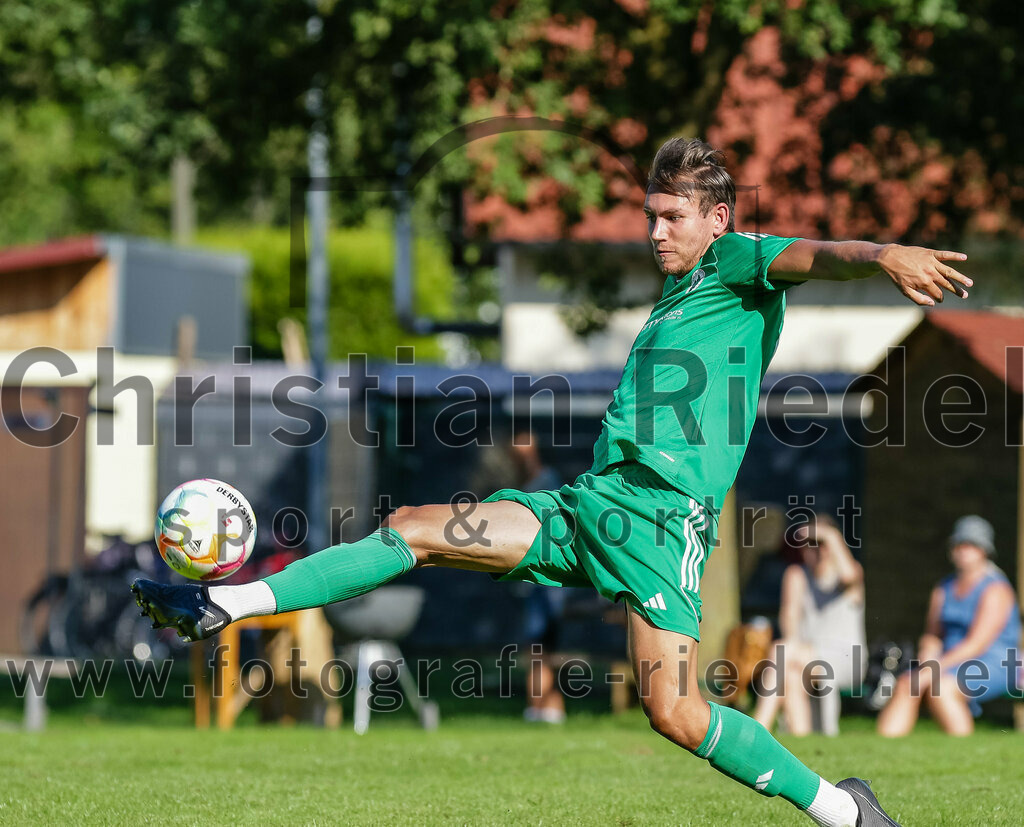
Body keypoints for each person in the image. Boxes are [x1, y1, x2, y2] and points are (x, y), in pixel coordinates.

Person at [135, 136, 973, 826]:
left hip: (661, 521)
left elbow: (818, 256)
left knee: (675, 713)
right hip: (592, 507)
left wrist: (882, 254)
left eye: (672, 217)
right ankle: (224, 604)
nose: (655, 232)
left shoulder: (738, 264)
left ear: (717, 219)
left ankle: (845, 812)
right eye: (650, 216)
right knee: (419, 527)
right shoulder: (677, 296)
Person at [877, 515, 1021, 737]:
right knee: (908, 683)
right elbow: (933, 635)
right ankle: (881, 753)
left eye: (970, 545)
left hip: (995, 661)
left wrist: (934, 669)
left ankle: (965, 753)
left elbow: (977, 644)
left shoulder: (996, 589)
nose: (963, 550)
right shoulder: (943, 588)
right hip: (948, 661)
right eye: (959, 544)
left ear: (984, 550)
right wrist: (927, 657)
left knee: (941, 688)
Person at [753, 517, 867, 736]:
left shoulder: (850, 574)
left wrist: (829, 535)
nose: (816, 550)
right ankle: (803, 742)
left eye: (821, 543)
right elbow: (789, 621)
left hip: (847, 659)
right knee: (791, 672)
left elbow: (849, 575)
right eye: (810, 544)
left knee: (782, 651)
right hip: (803, 656)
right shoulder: (797, 576)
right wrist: (794, 649)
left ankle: (758, 729)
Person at [508, 430, 571, 724]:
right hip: (534, 583)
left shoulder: (547, 482)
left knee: (541, 645)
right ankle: (539, 707)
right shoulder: (524, 483)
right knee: (537, 647)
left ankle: (549, 707)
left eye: (526, 451)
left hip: (548, 584)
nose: (521, 457)